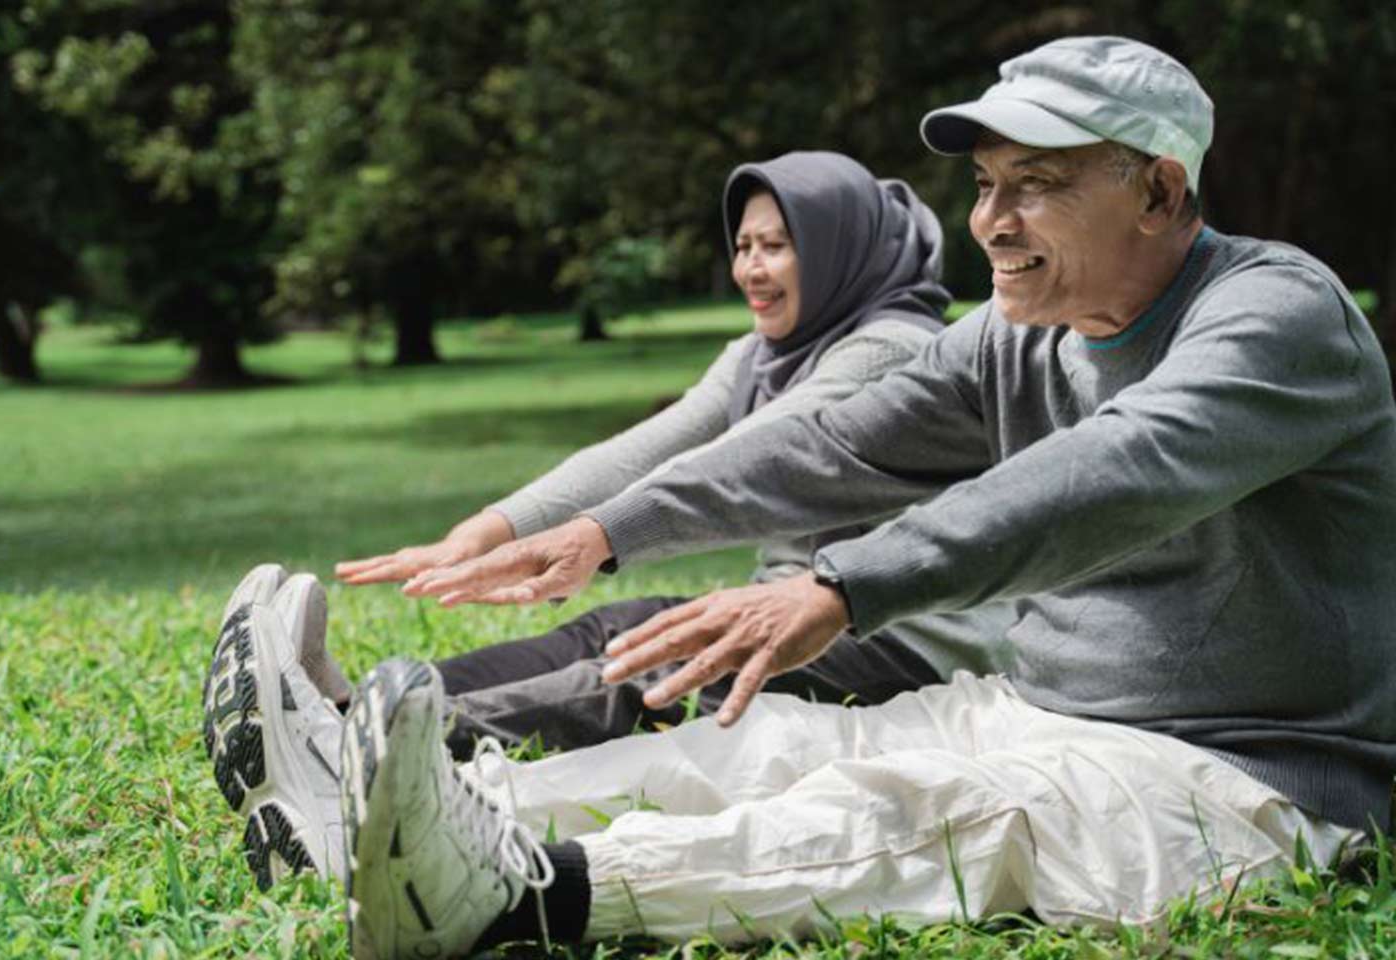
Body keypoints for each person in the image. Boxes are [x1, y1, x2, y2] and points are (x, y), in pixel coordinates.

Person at [336, 36, 1396, 959]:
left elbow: (1114, 470)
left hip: (1253, 777)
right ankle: (398, 820)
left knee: (921, 818)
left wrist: (841, 587)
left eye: (1036, 183)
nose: (991, 221)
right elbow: (832, 441)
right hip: (1041, 709)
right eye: (984, 184)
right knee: (764, 749)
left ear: (1159, 192)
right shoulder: (1010, 337)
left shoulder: (1276, 314)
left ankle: (516, 898)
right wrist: (608, 528)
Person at [203, 152, 1011, 891]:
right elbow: (645, 448)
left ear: (840, 248)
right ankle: (350, 715)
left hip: (890, 638)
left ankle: (363, 752)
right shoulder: (765, 352)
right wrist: (492, 529)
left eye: (776, 245)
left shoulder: (889, 347)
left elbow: (748, 463)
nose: (750, 270)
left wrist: (594, 536)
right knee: (607, 631)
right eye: (742, 246)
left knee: (639, 679)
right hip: (778, 611)